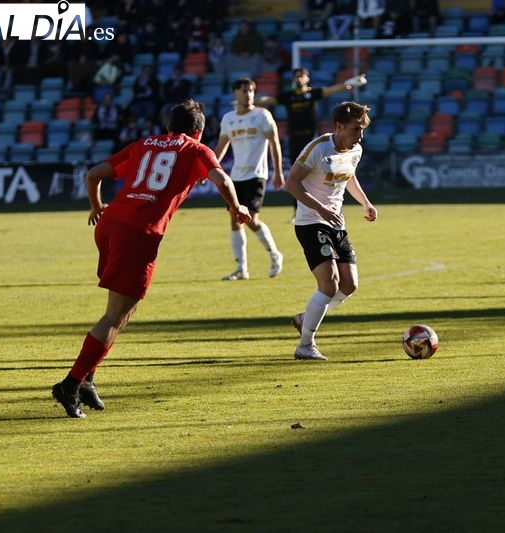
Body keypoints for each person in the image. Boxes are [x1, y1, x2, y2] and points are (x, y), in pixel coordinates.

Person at [51, 99, 251, 418]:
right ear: (198, 131)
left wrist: (95, 206)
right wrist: (236, 206)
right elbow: (222, 180)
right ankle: (71, 384)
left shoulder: (144, 143)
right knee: (116, 316)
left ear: (169, 126)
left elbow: (93, 174)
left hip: (109, 224)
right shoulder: (196, 149)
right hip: (138, 232)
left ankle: (88, 377)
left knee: (118, 313)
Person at [285, 101, 377, 361]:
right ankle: (305, 345)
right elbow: (292, 184)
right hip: (310, 222)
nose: (360, 135)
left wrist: (366, 203)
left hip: (337, 223)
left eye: (362, 130)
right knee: (330, 282)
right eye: (355, 129)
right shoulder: (318, 148)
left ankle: (305, 317)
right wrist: (322, 209)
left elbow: (349, 177)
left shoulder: (355, 150)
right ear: (338, 126)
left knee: (349, 284)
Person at [258, 68, 367, 215]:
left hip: (311, 140)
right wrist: (251, 103)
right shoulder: (288, 96)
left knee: (319, 174)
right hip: (295, 140)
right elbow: (270, 100)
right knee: (297, 177)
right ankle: (297, 211)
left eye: (302, 76)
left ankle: (326, 205)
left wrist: (349, 82)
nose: (299, 79)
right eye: (296, 76)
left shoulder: (312, 94)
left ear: (307, 78)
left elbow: (331, 90)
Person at [214, 78, 285, 281]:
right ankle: (241, 269)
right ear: (236, 93)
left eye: (252, 91)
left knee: (251, 219)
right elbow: (221, 147)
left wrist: (278, 172)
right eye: (245, 91)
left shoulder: (262, 115)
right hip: (236, 176)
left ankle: (274, 254)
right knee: (235, 220)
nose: (249, 95)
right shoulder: (228, 118)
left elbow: (274, 144)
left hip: (256, 174)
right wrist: (209, 169)